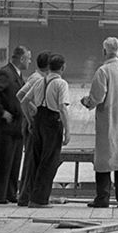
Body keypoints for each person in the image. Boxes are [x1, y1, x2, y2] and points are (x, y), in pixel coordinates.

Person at [80, 37, 118, 209]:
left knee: (104, 161)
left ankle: (102, 199)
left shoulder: (103, 71)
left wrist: (86, 101)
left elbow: (97, 97)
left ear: (104, 51)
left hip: (109, 121)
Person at [21, 53, 71, 207]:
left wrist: (30, 121)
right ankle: (40, 200)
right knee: (49, 161)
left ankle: (30, 197)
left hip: (38, 120)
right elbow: (62, 108)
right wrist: (67, 131)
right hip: (52, 121)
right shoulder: (61, 84)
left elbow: (24, 101)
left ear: (49, 67)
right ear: (63, 68)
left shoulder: (39, 81)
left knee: (35, 160)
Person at [0, 45, 30, 204]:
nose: (30, 61)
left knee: (14, 161)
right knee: (2, 162)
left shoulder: (17, 75)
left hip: (16, 128)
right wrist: (1, 112)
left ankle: (11, 193)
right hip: (4, 127)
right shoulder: (6, 73)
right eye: (28, 58)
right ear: (22, 59)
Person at [14, 51, 51, 206]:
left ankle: (25, 195)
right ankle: (25, 196)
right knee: (31, 161)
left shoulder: (40, 78)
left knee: (31, 160)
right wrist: (33, 110)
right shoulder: (37, 79)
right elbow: (20, 95)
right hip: (32, 122)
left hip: (33, 122)